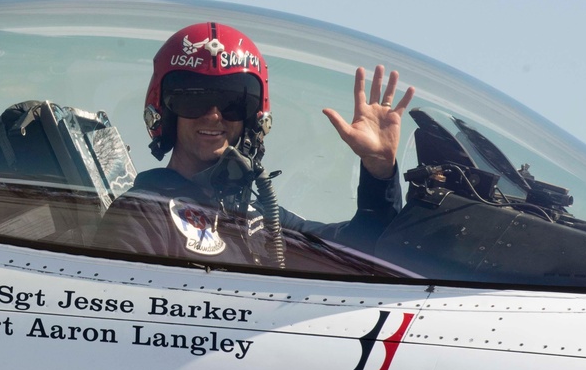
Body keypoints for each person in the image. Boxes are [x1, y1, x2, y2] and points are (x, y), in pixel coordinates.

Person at [94, 22, 414, 269]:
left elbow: (367, 251)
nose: (214, 115)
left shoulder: (259, 218)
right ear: (166, 111)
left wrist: (379, 168)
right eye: (195, 99)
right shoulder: (141, 214)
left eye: (233, 102)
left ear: (253, 118)